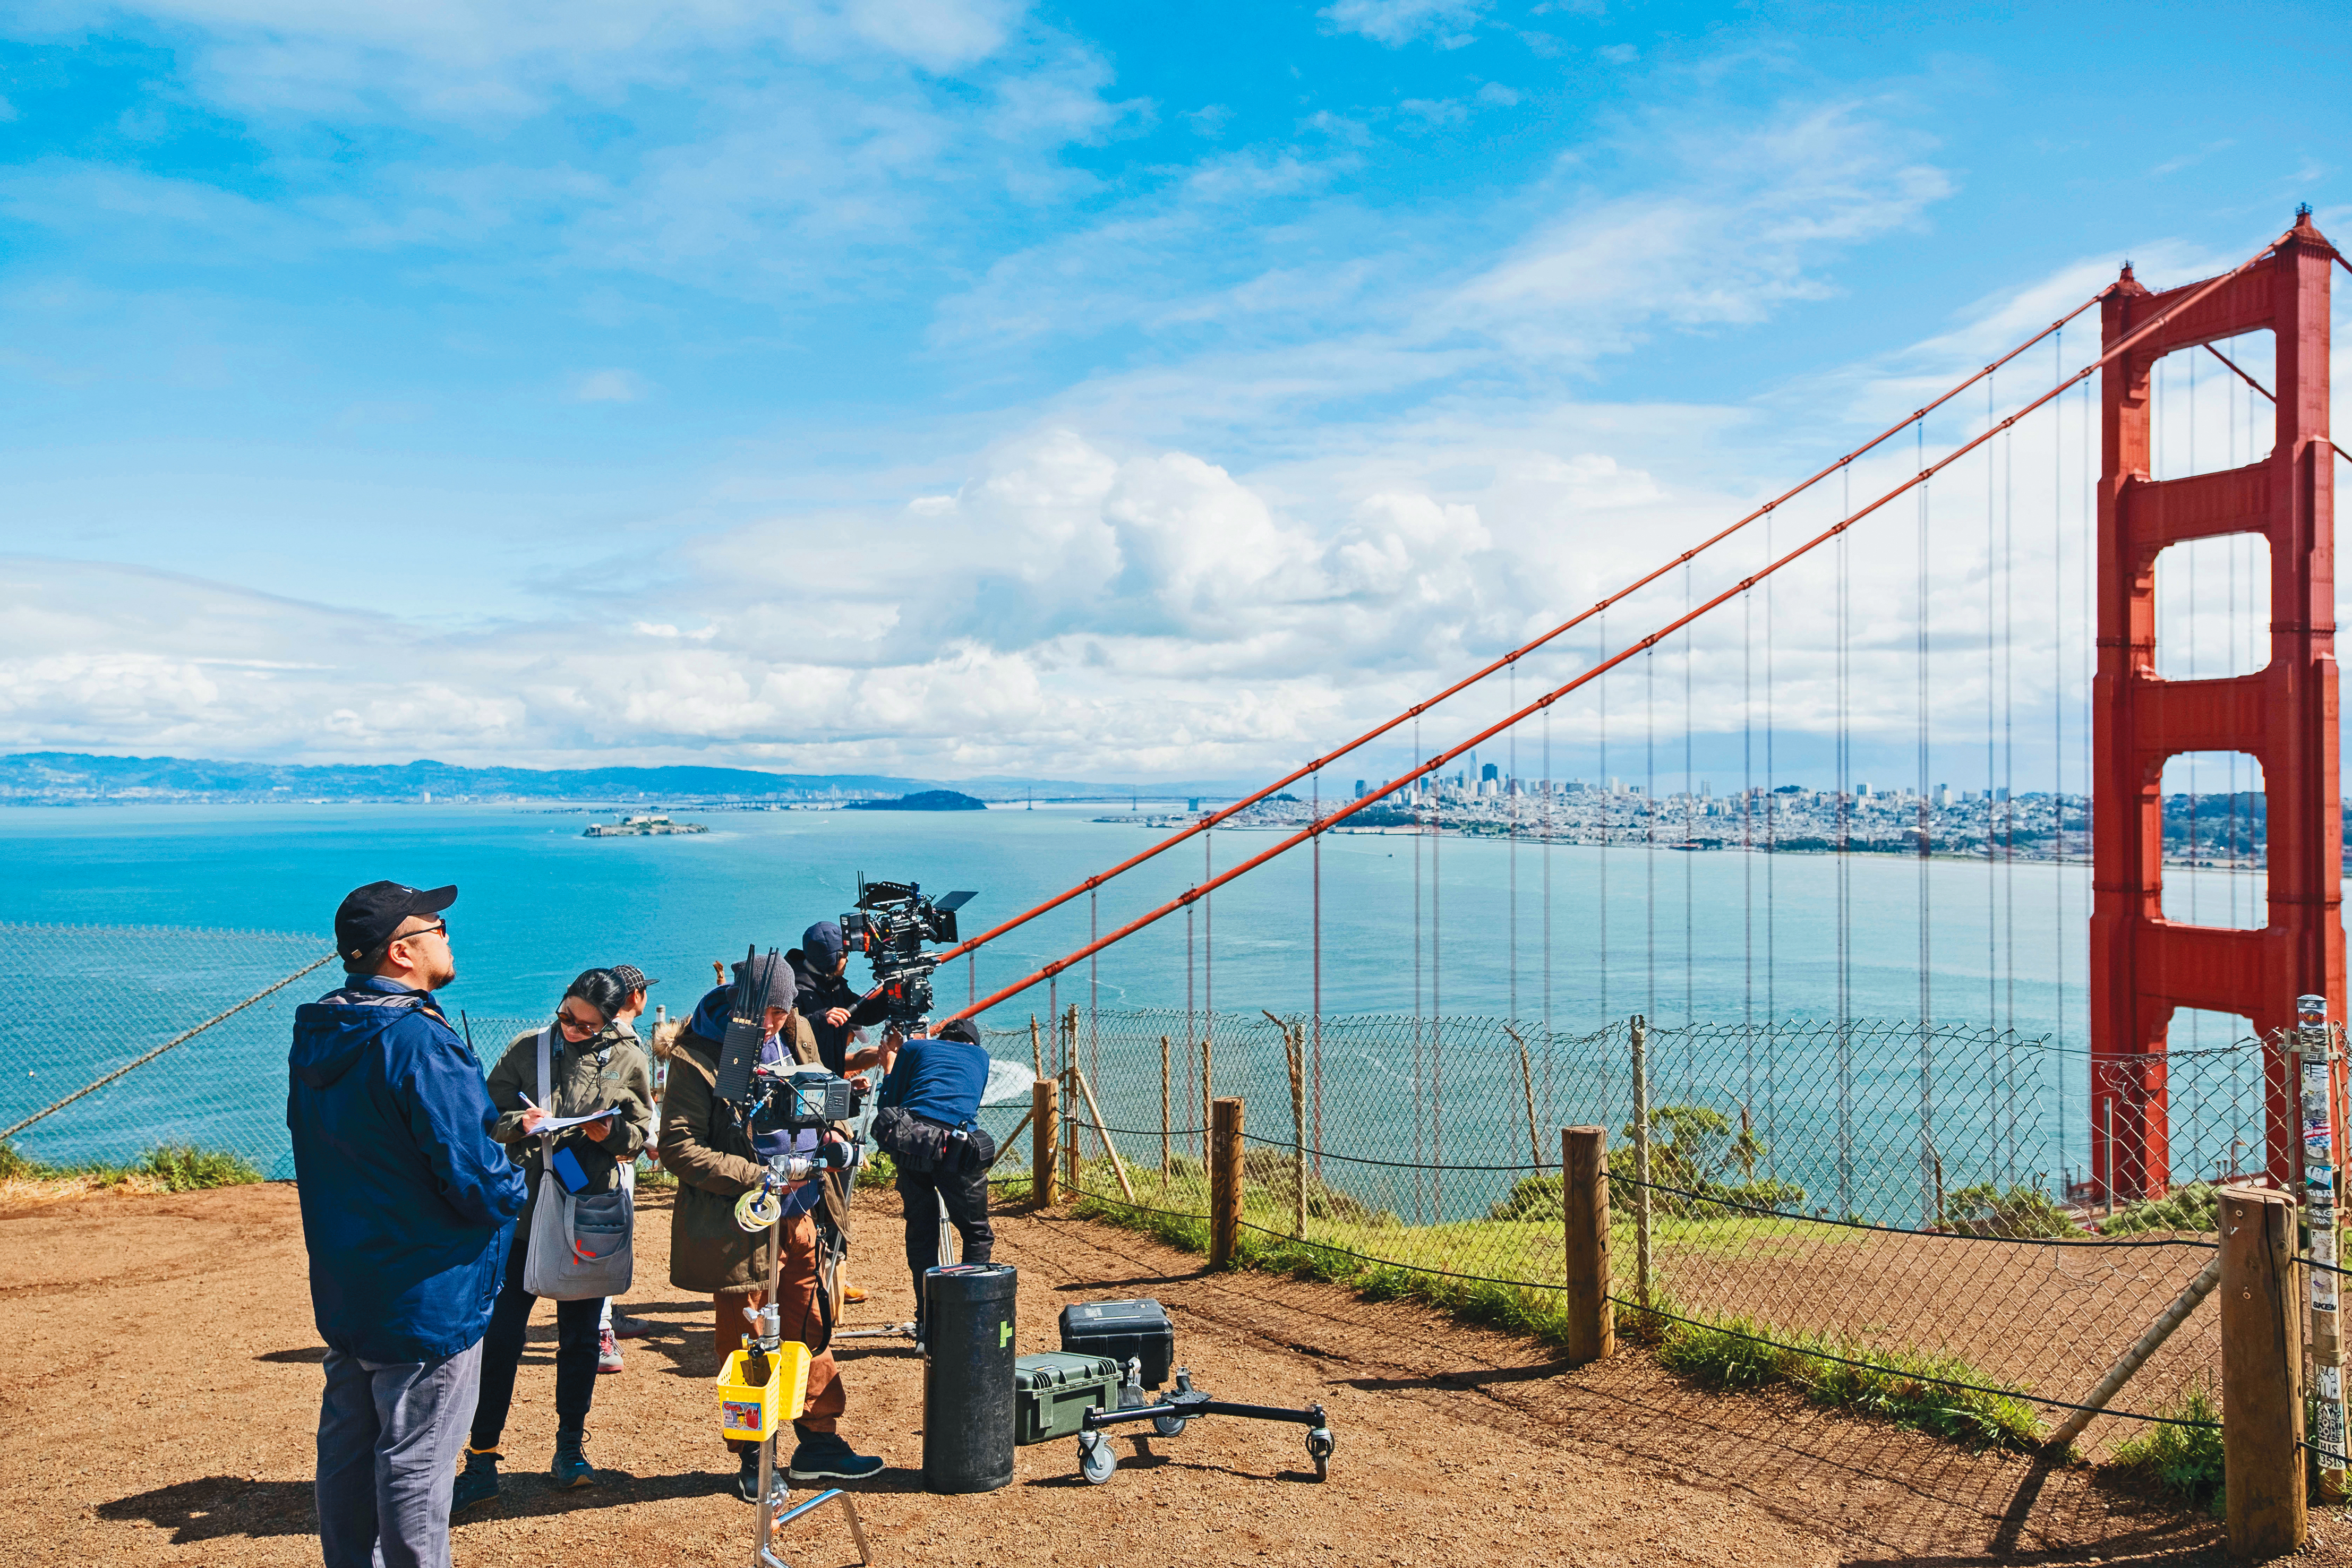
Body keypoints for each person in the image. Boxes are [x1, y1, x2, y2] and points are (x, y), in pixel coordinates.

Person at [289, 881, 526, 1568]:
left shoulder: (322, 1029)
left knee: (349, 1452)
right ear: (402, 951)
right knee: (417, 1463)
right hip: (429, 1290)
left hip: (350, 1282)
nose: (447, 935)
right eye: (438, 925)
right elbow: (478, 1179)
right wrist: (514, 1177)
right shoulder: (418, 1041)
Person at [663, 953, 884, 1498]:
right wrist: (756, 1174)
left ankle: (819, 1443)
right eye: (761, 1013)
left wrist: (834, 1134)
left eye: (779, 1014)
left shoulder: (796, 1031)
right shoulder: (698, 1054)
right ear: (738, 1004)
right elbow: (678, 1147)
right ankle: (754, 1457)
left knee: (812, 1324)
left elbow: (819, 1092)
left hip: (801, 1211)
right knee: (745, 1344)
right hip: (740, 1223)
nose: (769, 1025)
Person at [455, 969, 655, 1508]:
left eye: (585, 1024)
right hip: (521, 1211)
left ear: (609, 1021)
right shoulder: (528, 1049)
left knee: (581, 1339)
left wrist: (607, 1132)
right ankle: (481, 1458)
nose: (570, 1027)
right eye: (566, 1015)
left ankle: (570, 1450)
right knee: (500, 1338)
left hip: (587, 1208)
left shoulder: (630, 1059)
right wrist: (521, 1123)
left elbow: (639, 1135)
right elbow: (485, 1115)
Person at [787, 922, 894, 1305]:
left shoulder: (828, 984)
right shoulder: (798, 987)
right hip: (806, 1107)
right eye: (844, 955)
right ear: (835, 959)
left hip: (830, 1097)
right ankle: (819, 1277)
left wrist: (892, 983)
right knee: (822, 1193)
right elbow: (790, 1031)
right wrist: (819, 1020)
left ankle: (831, 1272)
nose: (848, 961)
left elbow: (863, 1010)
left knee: (832, 1191)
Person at [874, 1017, 995, 1340]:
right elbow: (967, 1104)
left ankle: (928, 1322)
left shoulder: (915, 1048)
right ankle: (966, 1320)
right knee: (977, 1234)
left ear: (942, 1037)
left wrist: (890, 1065)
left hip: (911, 1144)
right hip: (956, 1150)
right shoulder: (981, 1057)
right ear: (973, 1044)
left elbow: (889, 1104)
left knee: (922, 1233)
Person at [596, 963, 663, 1367]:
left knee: (609, 1235)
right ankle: (600, 1327)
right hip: (614, 1155)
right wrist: (653, 1140)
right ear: (636, 996)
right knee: (608, 1237)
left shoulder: (599, 1032)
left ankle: (606, 1313)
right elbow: (634, 1101)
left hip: (611, 1150)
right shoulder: (622, 1039)